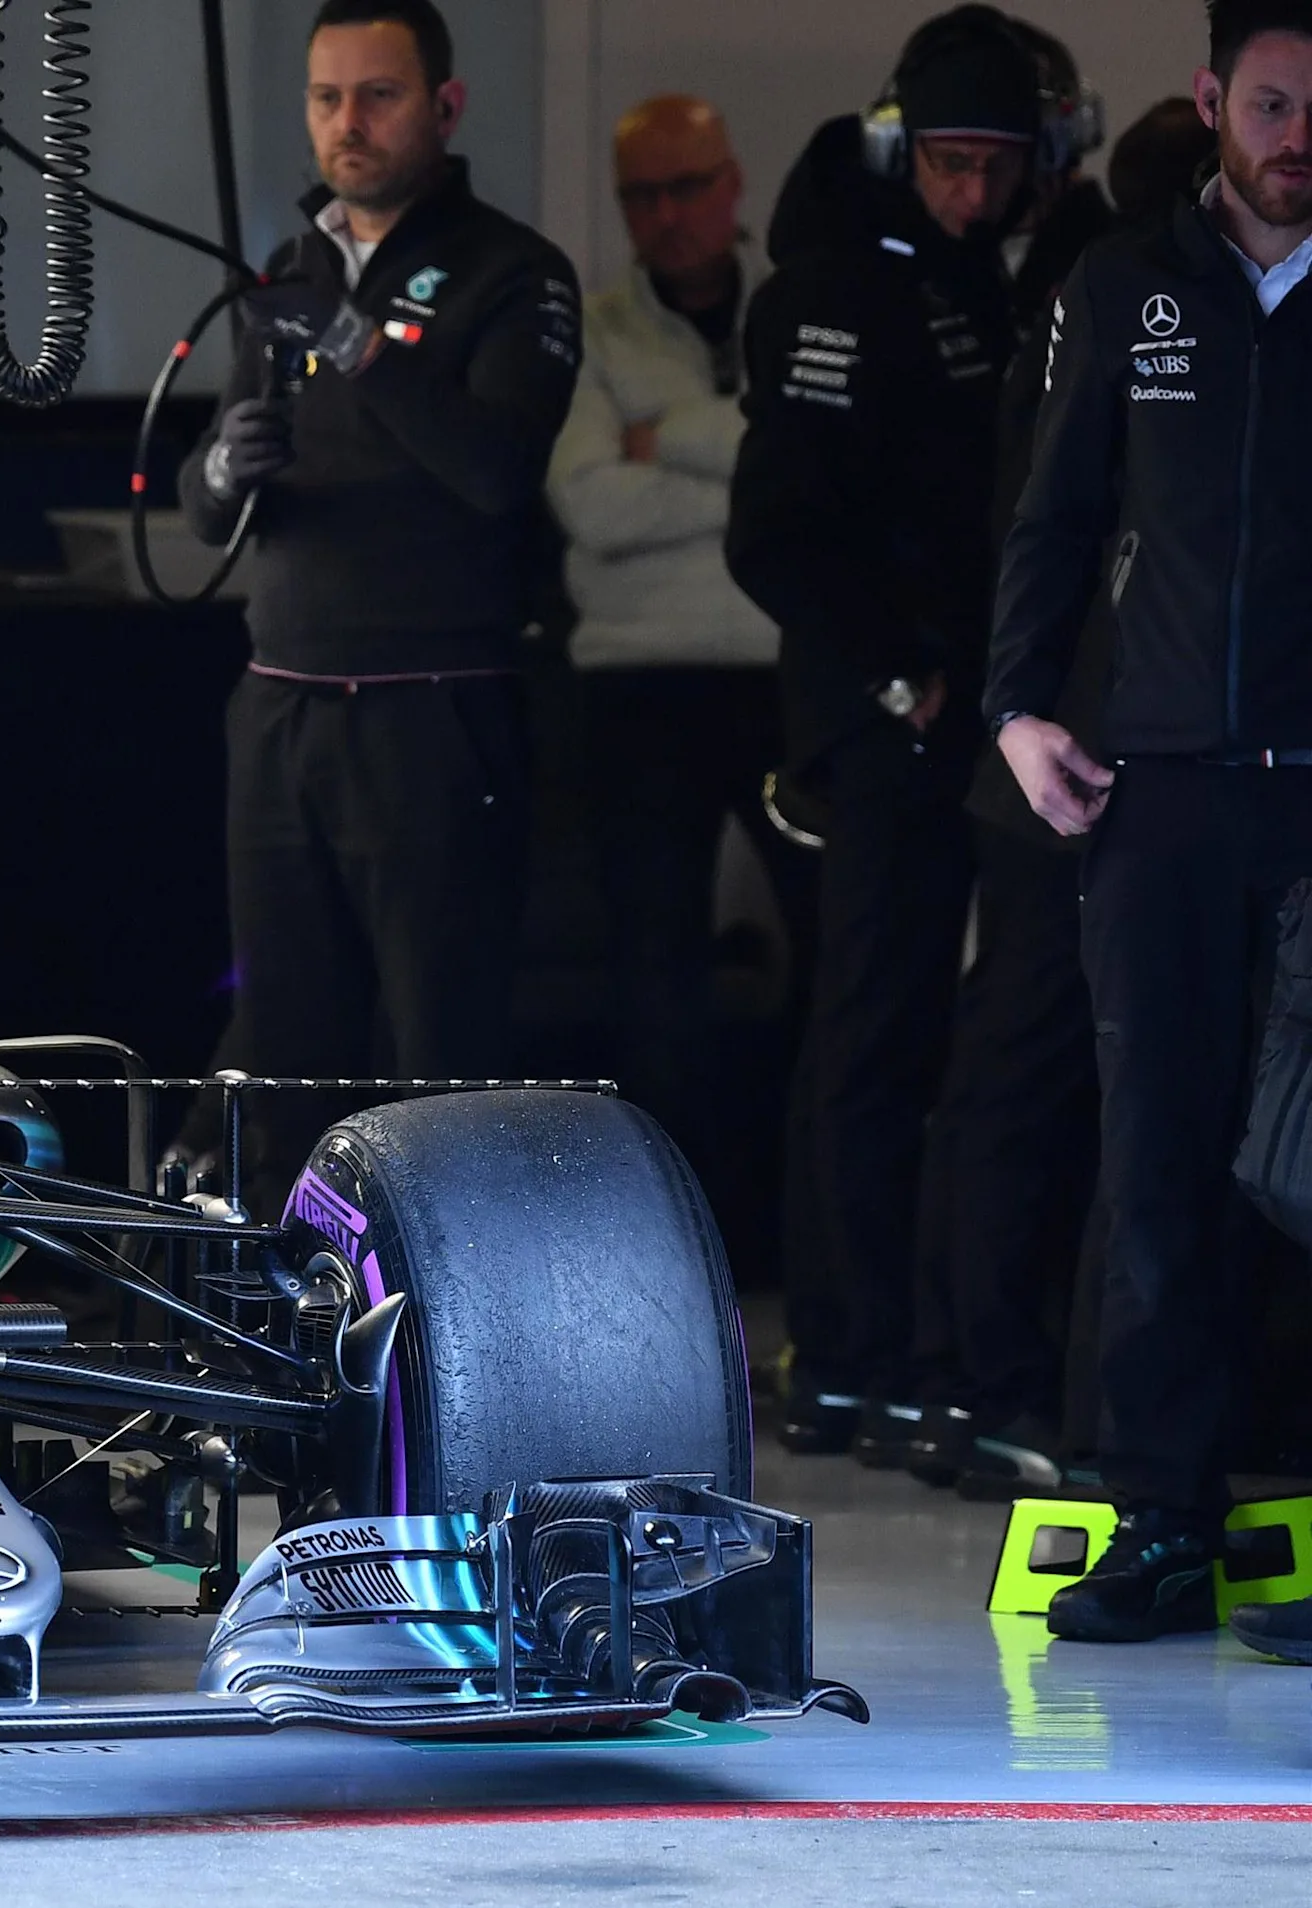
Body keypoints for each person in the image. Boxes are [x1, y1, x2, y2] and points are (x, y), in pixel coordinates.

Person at [993, 0, 1312, 1645]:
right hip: (1163, 795)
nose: (1291, 137)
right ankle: (1162, 1516)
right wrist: (1014, 709)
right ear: (1210, 101)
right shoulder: (1120, 283)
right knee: (1161, 1161)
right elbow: (1050, 514)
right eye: (1268, 102)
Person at [180, 0, 582, 1211]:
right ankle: (259, 1325)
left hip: (431, 708)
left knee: (436, 1044)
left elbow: (493, 471)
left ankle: (453, 1332)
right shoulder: (286, 276)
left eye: (376, 95)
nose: (344, 125)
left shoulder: (514, 272)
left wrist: (357, 343)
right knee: (276, 1029)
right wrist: (220, 465)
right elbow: (205, 517)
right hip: (281, 703)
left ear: (444, 107)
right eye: (323, 98)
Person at [726, 8, 1045, 1460]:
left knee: (937, 1033)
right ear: (898, 147)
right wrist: (892, 685)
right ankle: (841, 1350)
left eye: (995, 164)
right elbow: (774, 537)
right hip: (888, 725)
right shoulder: (836, 290)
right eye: (948, 162)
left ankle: (907, 1343)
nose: (970, 189)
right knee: (871, 1028)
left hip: (972, 713)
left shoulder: (983, 275)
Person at [909, 93, 1214, 1498]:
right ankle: (1008, 1389)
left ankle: (998, 1386)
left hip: (1081, 748)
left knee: (1040, 1078)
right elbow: (1044, 530)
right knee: (1061, 1081)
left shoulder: (1087, 299)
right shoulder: (1125, 308)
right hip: (1081, 757)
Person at [547, 94, 805, 1242]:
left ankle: (799, 1243)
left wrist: (673, 436)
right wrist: (750, 457)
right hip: (633, 684)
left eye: (685, 185)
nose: (666, 214)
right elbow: (591, 505)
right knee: (653, 980)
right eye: (640, 195)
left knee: (835, 960)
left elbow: (816, 488)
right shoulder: (591, 329)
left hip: (786, 675)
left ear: (731, 181)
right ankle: (671, 1247)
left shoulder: (800, 316)